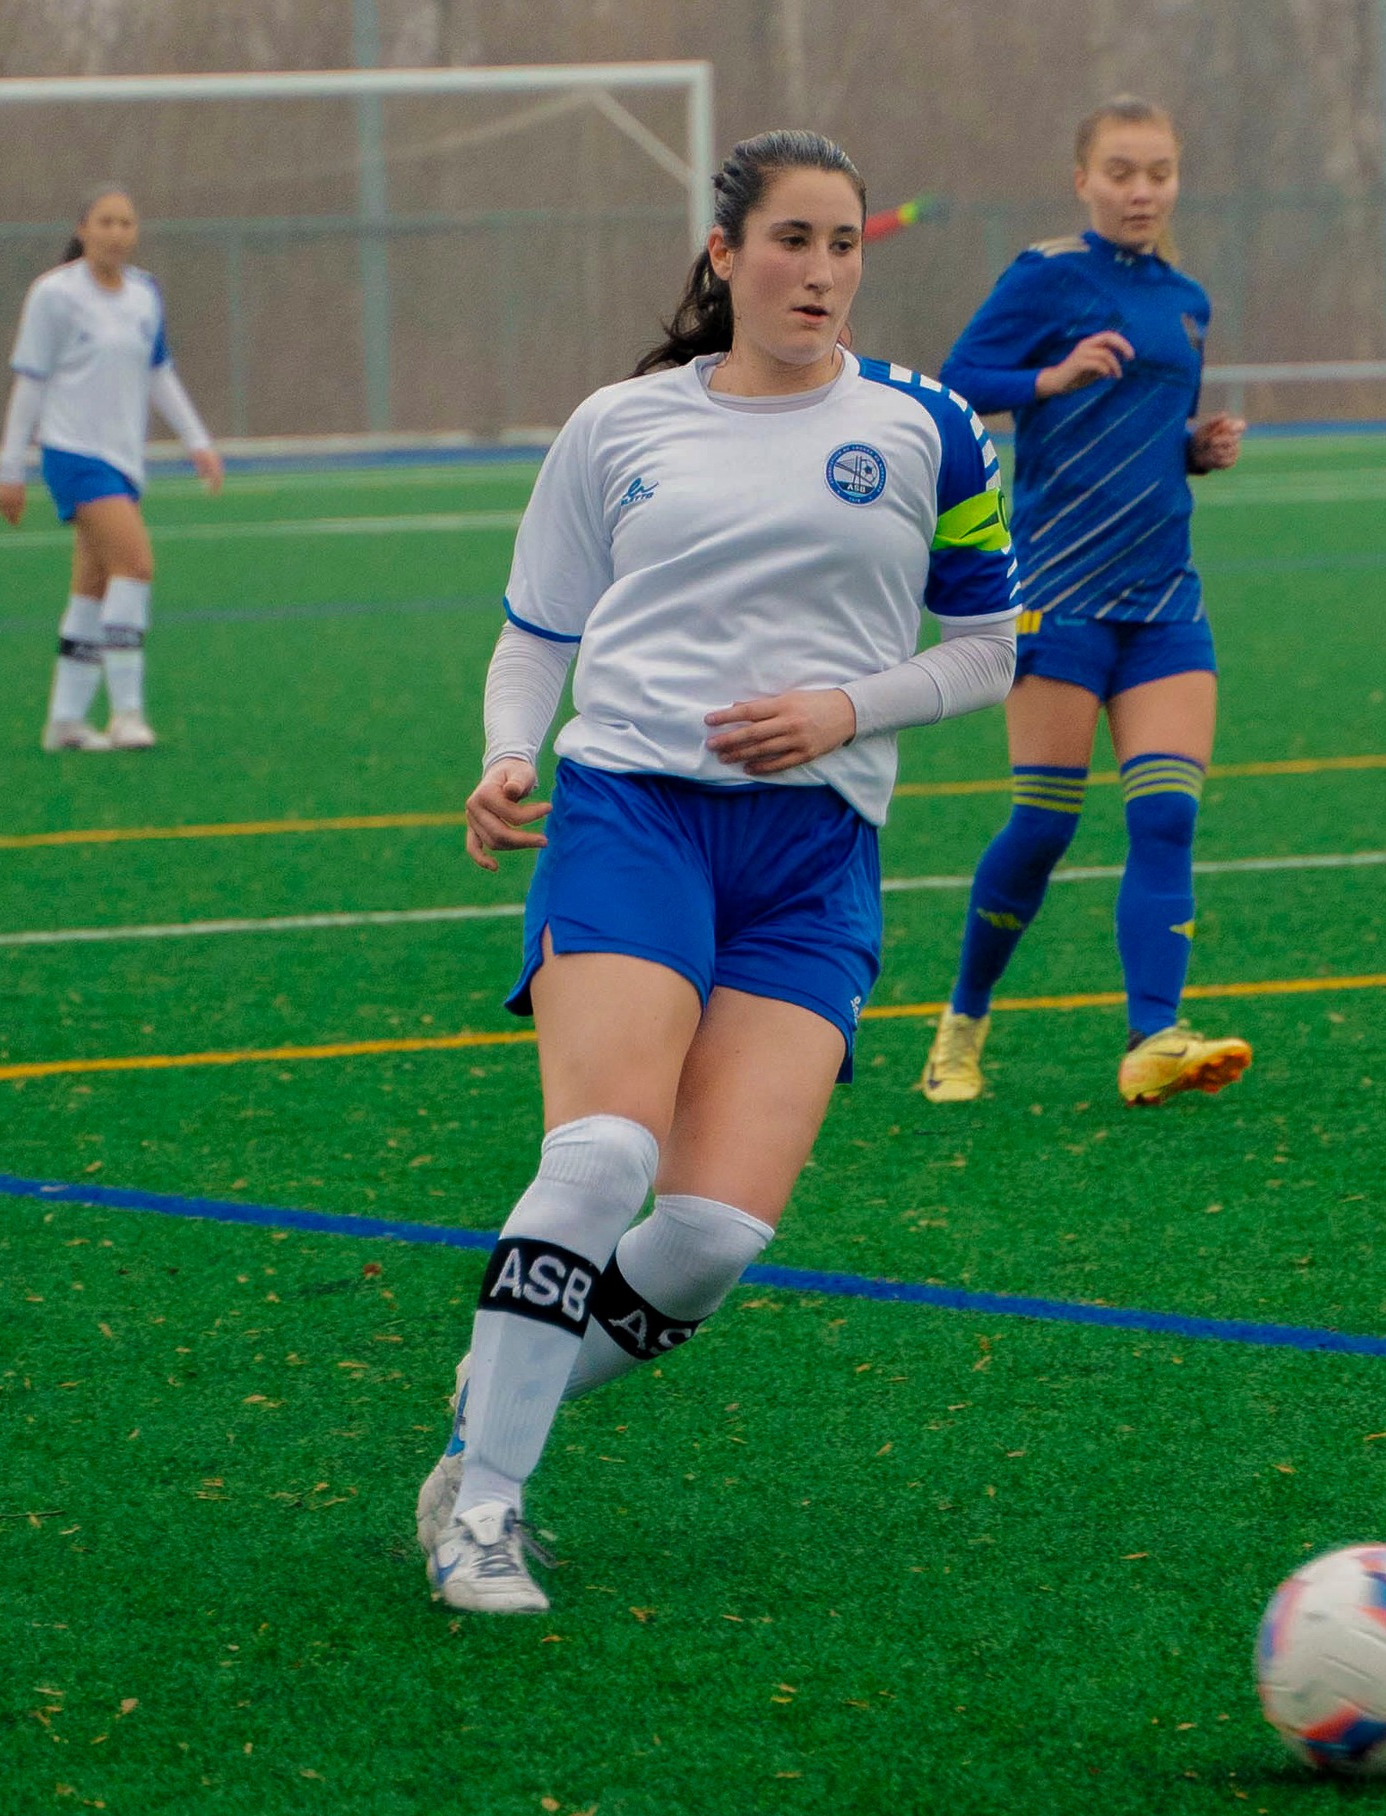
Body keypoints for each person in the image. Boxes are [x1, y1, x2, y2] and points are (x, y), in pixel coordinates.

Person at [416, 130, 1022, 1614]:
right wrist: (511, 756)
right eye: (792, 242)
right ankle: (481, 1509)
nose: (821, 272)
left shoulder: (933, 427)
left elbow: (992, 650)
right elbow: (539, 629)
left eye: (843, 245)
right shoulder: (621, 423)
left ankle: (502, 1387)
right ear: (726, 256)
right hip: (635, 814)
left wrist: (844, 708)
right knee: (603, 1158)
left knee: (701, 1242)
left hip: (816, 855)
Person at [920, 98, 1251, 1109]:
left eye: (1156, 172)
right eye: (1119, 171)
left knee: (1165, 820)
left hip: (1162, 599)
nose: (1139, 190)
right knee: (1042, 826)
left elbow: (1155, 431)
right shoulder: (1045, 274)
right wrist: (1048, 376)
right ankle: (959, 1029)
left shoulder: (1186, 300)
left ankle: (1154, 1034)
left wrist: (1194, 450)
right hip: (1056, 595)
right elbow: (953, 384)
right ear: (1082, 179)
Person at [0, 187, 222, 752]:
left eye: (126, 222)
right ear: (84, 229)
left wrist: (197, 441)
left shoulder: (144, 293)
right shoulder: (54, 295)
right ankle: (126, 713)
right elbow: (30, 381)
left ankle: (66, 722)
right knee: (136, 565)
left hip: (124, 461)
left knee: (93, 585)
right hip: (72, 454)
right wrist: (9, 468)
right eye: (105, 221)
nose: (117, 232)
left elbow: (158, 372)